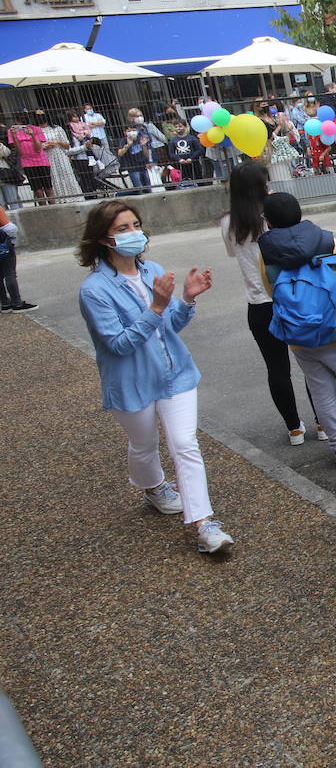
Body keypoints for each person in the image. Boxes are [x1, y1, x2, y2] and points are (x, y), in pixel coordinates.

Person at [75, 199, 233, 553]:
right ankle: (153, 487)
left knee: (184, 444)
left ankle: (205, 525)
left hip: (174, 374)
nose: (134, 234)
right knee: (144, 444)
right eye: (122, 229)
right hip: (132, 383)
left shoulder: (151, 270)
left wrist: (187, 301)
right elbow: (118, 344)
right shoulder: (95, 290)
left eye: (136, 225)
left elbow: (170, 326)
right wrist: (157, 306)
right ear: (103, 239)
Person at [258, 192, 336, 468]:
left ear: (268, 221)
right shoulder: (326, 239)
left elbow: (270, 290)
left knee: (321, 393)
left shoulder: (266, 251)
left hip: (301, 335)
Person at [220, 162, 311, 446]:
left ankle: (294, 428)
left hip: (259, 305)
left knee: (277, 368)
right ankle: (323, 423)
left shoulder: (228, 222)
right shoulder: (274, 216)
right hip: (294, 298)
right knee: (311, 363)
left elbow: (233, 254)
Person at [7, 112, 54, 205]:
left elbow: (38, 149)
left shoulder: (35, 129)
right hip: (27, 162)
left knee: (48, 187)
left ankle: (54, 205)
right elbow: (19, 152)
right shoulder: (11, 131)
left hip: (41, 161)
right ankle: (44, 208)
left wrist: (32, 135)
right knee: (37, 189)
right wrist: (15, 137)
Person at [0, 205, 37, 312]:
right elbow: (9, 228)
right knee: (9, 273)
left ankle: (5, 303)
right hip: (3, 246)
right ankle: (17, 303)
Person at [166, 118, 208, 186]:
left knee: (199, 181)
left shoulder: (192, 138)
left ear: (185, 127)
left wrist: (191, 158)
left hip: (194, 164)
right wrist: (179, 159)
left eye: (180, 126)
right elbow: (171, 153)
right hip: (181, 165)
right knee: (185, 183)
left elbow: (200, 150)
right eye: (176, 127)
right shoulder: (173, 140)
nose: (178, 128)